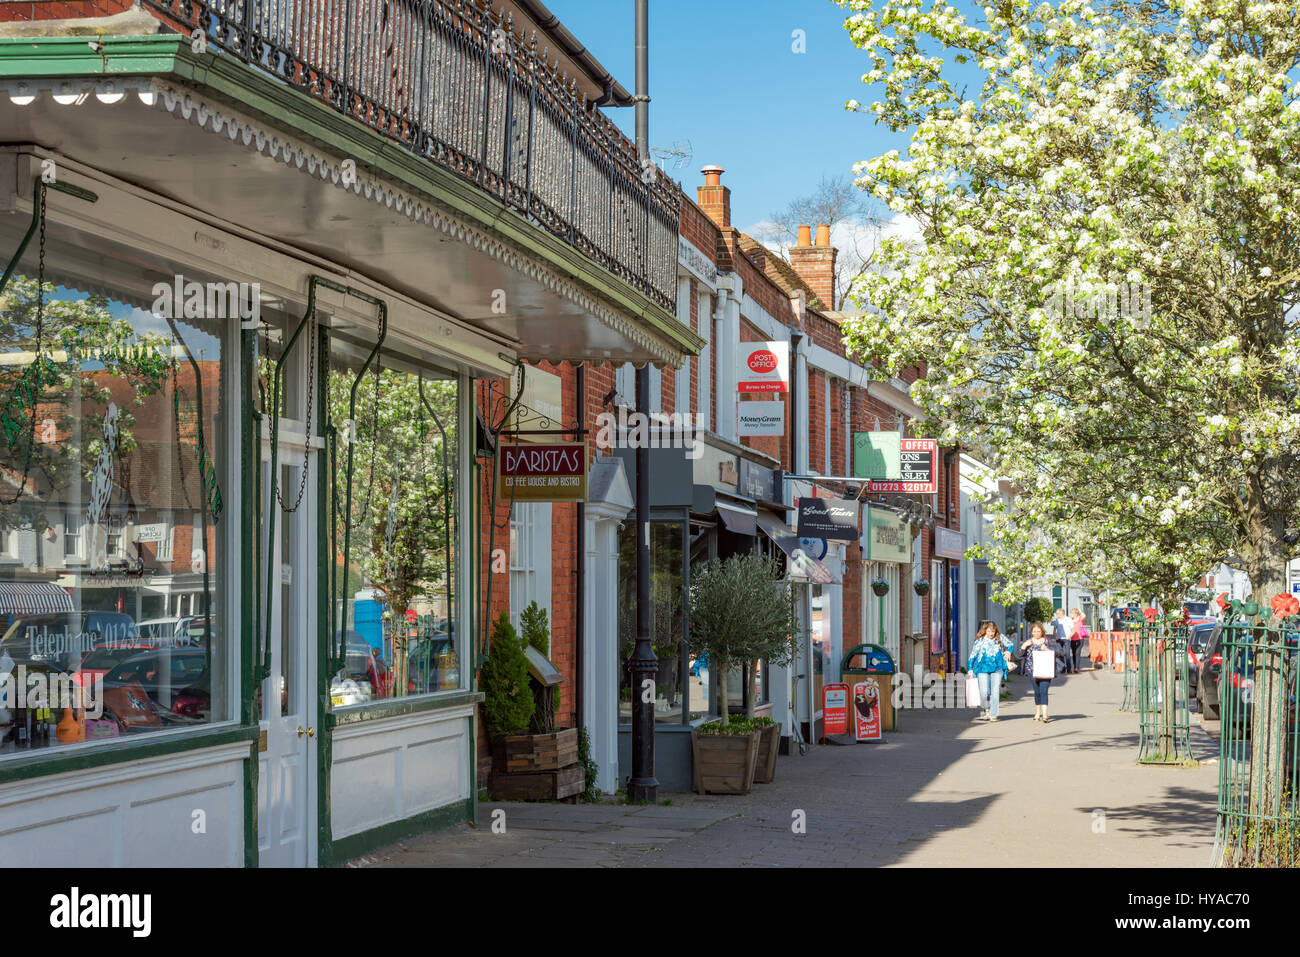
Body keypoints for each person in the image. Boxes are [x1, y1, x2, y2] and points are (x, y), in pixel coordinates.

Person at [967, 621, 1013, 722]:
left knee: (995, 691)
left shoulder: (999, 638)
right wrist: (970, 668)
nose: (991, 633)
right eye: (989, 631)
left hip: (997, 668)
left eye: (993, 631)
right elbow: (973, 655)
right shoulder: (979, 641)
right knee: (984, 692)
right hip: (982, 668)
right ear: (985, 630)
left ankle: (993, 714)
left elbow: (1010, 645)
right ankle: (986, 710)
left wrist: (1008, 651)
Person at [1021, 622, 1056, 722]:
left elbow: (1059, 652)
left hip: (1046, 671)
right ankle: (1037, 712)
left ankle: (1045, 715)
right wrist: (1024, 646)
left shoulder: (1047, 641)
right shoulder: (1029, 642)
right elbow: (1020, 655)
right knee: (1037, 692)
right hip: (1032, 671)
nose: (1036, 633)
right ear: (1031, 632)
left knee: (1043, 691)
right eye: (1034, 631)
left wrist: (1047, 649)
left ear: (1042, 631)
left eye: (1038, 631)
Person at [1053, 608, 1076, 672]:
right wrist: (1055, 637)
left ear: (1061, 613)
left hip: (1066, 639)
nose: (1056, 614)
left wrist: (1069, 636)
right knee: (1060, 654)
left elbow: (1073, 630)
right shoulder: (1057, 620)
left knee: (1067, 654)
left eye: (1057, 613)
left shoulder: (1068, 620)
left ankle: (1069, 669)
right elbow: (1054, 629)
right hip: (1059, 639)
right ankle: (1063, 668)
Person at [1069, 608, 1090, 673]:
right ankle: (1074, 665)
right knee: (1074, 653)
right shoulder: (1070, 621)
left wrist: (1080, 611)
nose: (1071, 615)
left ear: (1075, 614)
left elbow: (1084, 615)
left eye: (1072, 613)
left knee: (1078, 652)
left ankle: (1076, 668)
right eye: (1070, 613)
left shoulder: (1080, 619)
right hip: (1072, 639)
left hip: (1080, 638)